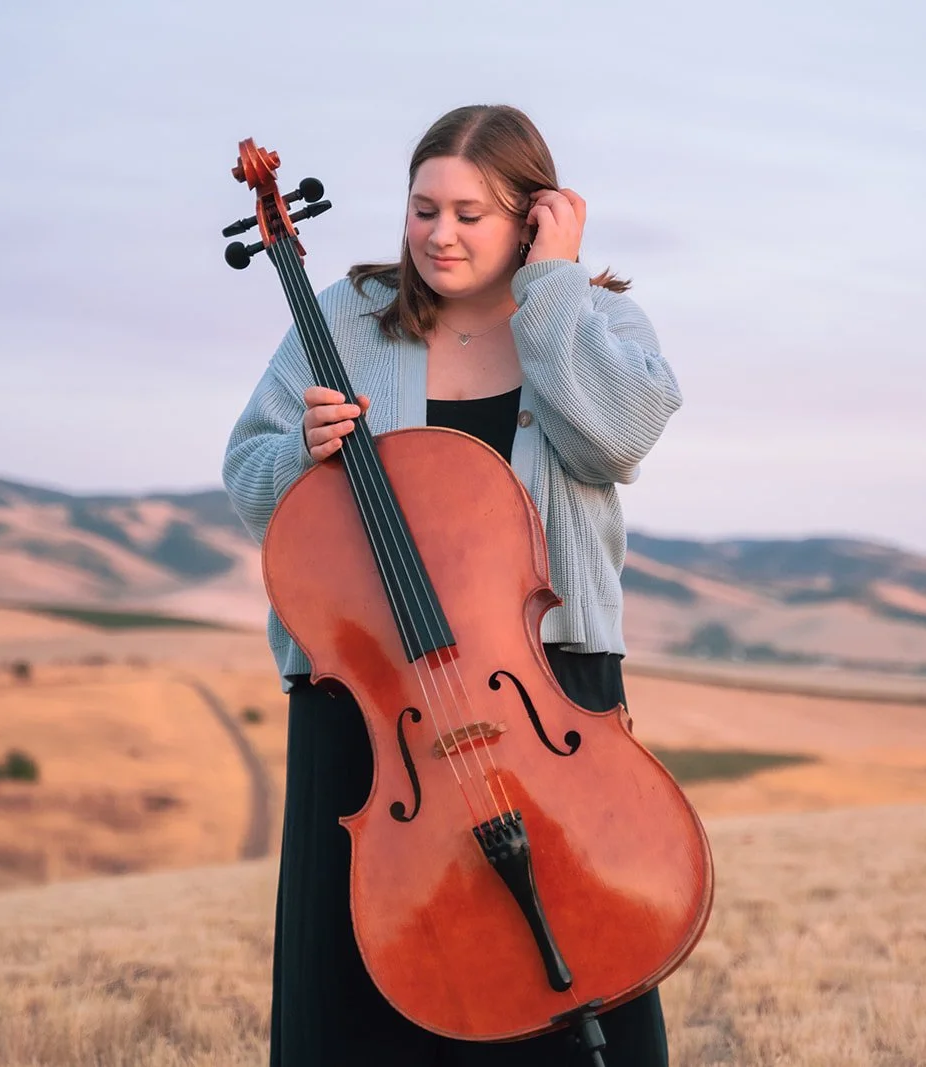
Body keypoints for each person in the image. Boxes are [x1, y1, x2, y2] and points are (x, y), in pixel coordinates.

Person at [222, 103, 683, 1067]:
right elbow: (249, 472)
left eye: (471, 214)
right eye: (422, 209)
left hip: (546, 693)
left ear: (533, 213)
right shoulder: (347, 316)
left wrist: (552, 285)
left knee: (574, 967)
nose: (439, 234)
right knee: (362, 1006)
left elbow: (617, 439)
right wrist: (301, 458)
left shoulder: (594, 316)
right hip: (379, 712)